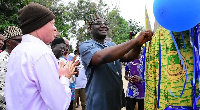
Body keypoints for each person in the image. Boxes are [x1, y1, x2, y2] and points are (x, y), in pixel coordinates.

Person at [5, 3, 76, 110]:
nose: (54, 28)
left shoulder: (17, 51)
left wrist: (57, 75)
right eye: (52, 23)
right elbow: (59, 105)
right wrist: (65, 77)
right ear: (39, 25)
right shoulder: (41, 53)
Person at [79, 12, 153, 110]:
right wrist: (134, 41)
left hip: (115, 100)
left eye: (105, 23)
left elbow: (128, 57)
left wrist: (139, 44)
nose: (103, 25)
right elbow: (100, 57)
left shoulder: (111, 44)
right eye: (98, 23)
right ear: (90, 28)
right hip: (99, 102)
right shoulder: (86, 46)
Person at [0, 26, 22, 110]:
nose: (21, 43)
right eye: (18, 41)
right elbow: (2, 90)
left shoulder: (17, 58)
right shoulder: (3, 59)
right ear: (8, 42)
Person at [73, 41, 87, 110]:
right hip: (74, 85)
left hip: (84, 84)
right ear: (77, 47)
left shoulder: (86, 57)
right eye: (78, 46)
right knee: (73, 104)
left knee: (84, 104)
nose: (80, 47)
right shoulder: (73, 57)